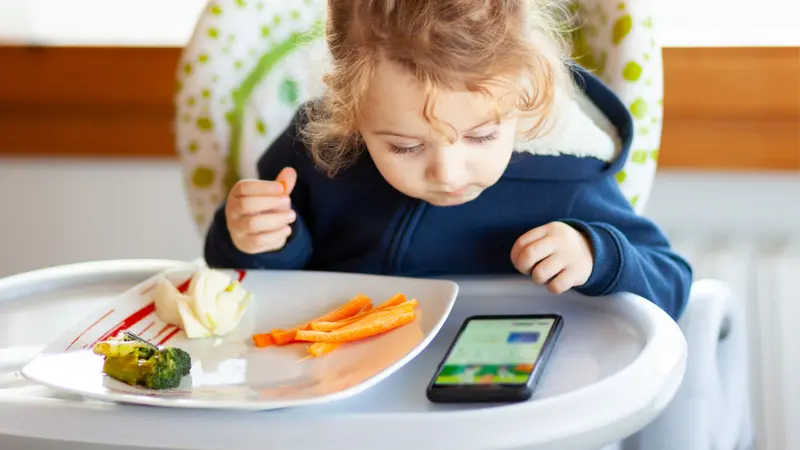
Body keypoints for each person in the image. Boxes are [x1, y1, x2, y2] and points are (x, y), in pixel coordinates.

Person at [204, 0, 693, 320]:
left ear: (523, 91)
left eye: (481, 136)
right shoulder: (314, 157)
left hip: (505, 411)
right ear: (348, 107)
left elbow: (671, 282)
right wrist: (255, 239)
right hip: (345, 403)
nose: (448, 173)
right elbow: (253, 292)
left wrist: (596, 254)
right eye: (406, 146)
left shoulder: (565, 177)